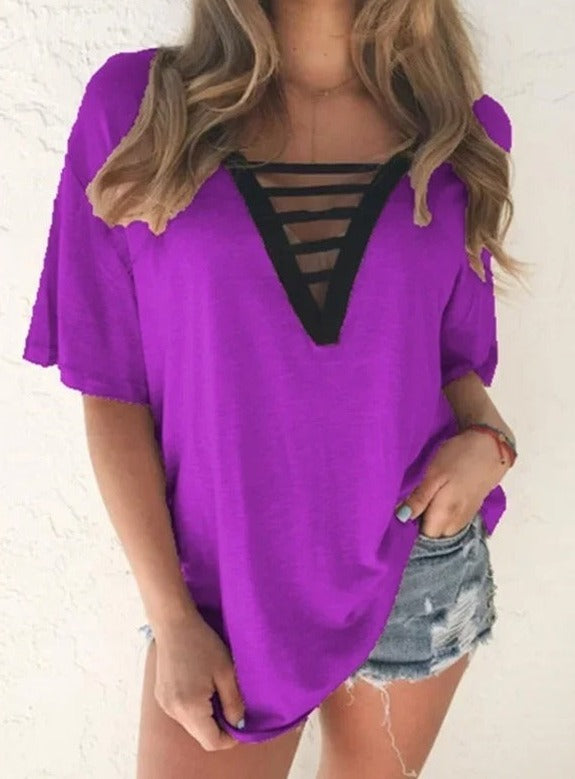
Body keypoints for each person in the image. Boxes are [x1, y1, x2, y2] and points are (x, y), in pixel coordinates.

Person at [22, 1, 527, 777]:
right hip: (225, 589)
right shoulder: (140, 110)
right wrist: (172, 618)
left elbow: (452, 363)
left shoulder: (458, 134)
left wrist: (491, 445)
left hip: (415, 563)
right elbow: (113, 385)